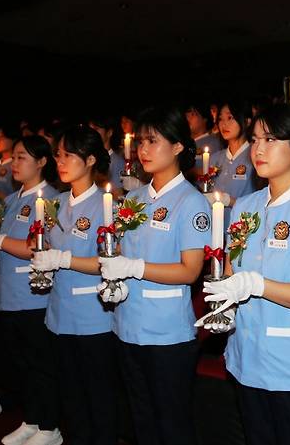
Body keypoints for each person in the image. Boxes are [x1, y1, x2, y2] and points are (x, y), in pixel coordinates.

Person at [198, 104, 290, 445]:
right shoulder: (246, 206)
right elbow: (233, 271)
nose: (258, 149)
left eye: (272, 139)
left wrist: (258, 284)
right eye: (255, 139)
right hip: (248, 359)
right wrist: (224, 304)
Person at [98, 104, 210, 445]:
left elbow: (191, 271)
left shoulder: (191, 202)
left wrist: (134, 268)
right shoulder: (133, 198)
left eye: (153, 141)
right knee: (141, 417)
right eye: (141, 142)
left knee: (171, 422)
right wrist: (114, 277)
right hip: (128, 323)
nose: (143, 150)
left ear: (177, 146)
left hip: (166, 333)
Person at [31, 124, 116, 445]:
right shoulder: (56, 202)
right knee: (71, 393)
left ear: (91, 159)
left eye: (69, 155)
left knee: (99, 396)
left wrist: (62, 260)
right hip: (59, 312)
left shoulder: (105, 204)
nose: (61, 162)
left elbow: (109, 260)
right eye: (58, 155)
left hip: (93, 316)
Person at [0, 135, 61, 444]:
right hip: (8, 294)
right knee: (21, 363)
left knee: (40, 364)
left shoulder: (51, 199)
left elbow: (37, 247)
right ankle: (31, 419)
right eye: (13, 157)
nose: (14, 163)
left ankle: (49, 426)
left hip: (33, 296)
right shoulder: (12, 200)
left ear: (42, 162)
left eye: (22, 157)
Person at [205, 100, 256, 227]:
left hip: (243, 229)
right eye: (220, 119)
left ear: (247, 121)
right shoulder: (215, 158)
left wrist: (229, 200)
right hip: (215, 227)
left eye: (230, 118)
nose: (224, 124)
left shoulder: (255, 155)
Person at [89, 116, 125, 199]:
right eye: (90, 129)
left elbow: (118, 195)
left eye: (96, 129)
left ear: (109, 133)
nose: (92, 133)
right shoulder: (88, 160)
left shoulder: (117, 162)